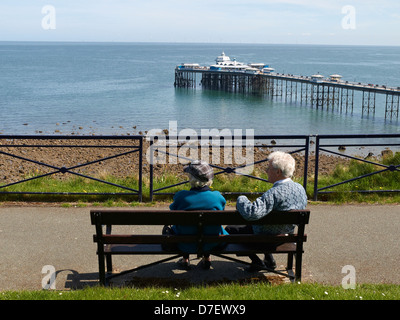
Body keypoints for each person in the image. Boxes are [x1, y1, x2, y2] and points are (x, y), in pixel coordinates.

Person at [225, 151, 307, 272]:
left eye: (268, 168)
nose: (266, 171)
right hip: (286, 236)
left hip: (265, 239)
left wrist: (241, 198)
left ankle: (256, 261)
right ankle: (269, 259)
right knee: (266, 225)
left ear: (278, 172)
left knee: (230, 229)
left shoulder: (274, 193)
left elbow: (251, 213)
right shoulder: (300, 189)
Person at [167, 160, 228, 270]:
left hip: (184, 243)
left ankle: (185, 259)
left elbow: (173, 214)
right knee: (209, 227)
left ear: (191, 177)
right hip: (212, 243)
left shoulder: (181, 197)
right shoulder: (218, 197)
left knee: (184, 228)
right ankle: (207, 258)